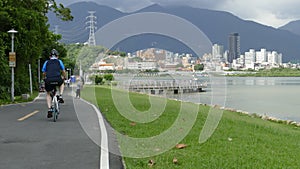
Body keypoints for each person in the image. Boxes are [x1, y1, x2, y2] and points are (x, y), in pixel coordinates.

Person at [42, 49, 66, 118]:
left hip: (48, 80)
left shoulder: (46, 62)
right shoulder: (59, 61)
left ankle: (49, 109)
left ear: (50, 57)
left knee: (48, 94)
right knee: (62, 83)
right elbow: (63, 71)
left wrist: (44, 78)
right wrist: (64, 77)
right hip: (57, 79)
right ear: (57, 56)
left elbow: (44, 72)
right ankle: (60, 95)